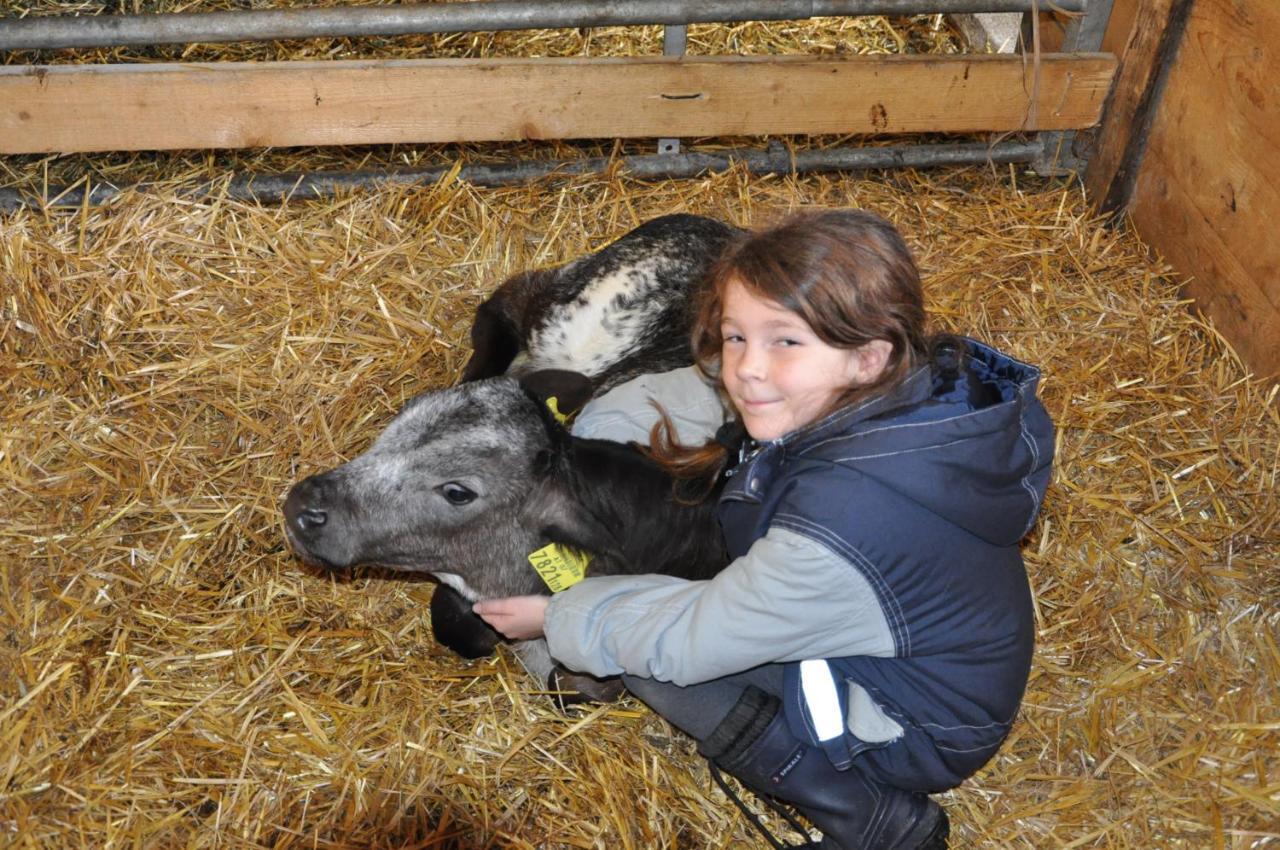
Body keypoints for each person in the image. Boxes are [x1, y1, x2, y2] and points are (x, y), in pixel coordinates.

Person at [474, 209, 1055, 850]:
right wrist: (591, 447)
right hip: (920, 642)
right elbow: (693, 392)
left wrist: (559, 616)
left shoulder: (841, 526)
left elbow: (691, 639)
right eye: (734, 337)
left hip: (915, 726)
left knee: (642, 643)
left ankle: (865, 815)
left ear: (868, 357)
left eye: (785, 341)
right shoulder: (882, 399)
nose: (748, 368)